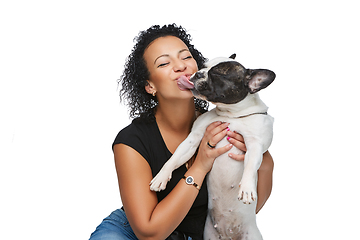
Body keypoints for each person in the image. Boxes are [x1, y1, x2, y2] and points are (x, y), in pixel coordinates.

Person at [89, 24, 274, 240]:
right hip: (135, 232)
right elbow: (149, 233)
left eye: (186, 57)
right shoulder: (131, 140)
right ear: (149, 86)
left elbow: (246, 209)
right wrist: (200, 165)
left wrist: (263, 158)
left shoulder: (229, 122)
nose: (180, 67)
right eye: (165, 63)